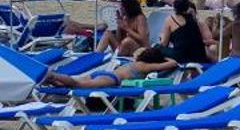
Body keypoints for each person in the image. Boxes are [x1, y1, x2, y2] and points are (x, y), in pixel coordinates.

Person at [41, 47, 178, 88]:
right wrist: (164, 58)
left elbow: (139, 50)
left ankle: (52, 80)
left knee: (74, 81)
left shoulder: (136, 60)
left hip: (105, 73)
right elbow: (172, 63)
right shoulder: (146, 66)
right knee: (77, 84)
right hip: (111, 79)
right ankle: (52, 76)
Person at [162, 0, 213, 66]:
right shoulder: (194, 19)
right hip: (199, 56)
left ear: (174, 7)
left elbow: (164, 44)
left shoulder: (170, 20)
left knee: (157, 50)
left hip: (182, 57)